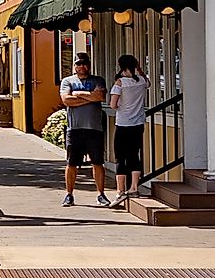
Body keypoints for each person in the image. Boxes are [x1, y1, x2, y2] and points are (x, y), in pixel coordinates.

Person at [58, 53, 111, 207]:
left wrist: (78, 95)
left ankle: (101, 194)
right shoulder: (67, 81)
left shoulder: (97, 80)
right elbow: (66, 100)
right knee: (71, 163)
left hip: (94, 128)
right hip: (74, 129)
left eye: (85, 63)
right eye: (79, 63)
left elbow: (100, 96)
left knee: (97, 162)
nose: (82, 66)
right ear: (74, 66)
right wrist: (89, 97)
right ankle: (69, 195)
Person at [107, 54, 148, 203]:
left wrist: (122, 108)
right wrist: (140, 70)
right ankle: (134, 188)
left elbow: (113, 105)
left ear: (120, 65)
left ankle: (120, 190)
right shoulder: (141, 81)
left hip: (123, 123)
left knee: (121, 157)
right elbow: (147, 82)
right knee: (134, 155)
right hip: (138, 123)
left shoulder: (120, 83)